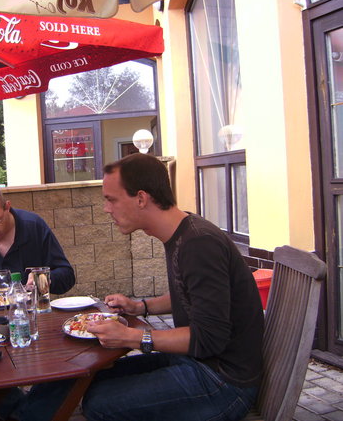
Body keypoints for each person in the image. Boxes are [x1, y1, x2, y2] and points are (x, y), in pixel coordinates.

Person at [16, 153, 264, 421]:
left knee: (100, 403)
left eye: (111, 199)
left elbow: (208, 339)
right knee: (82, 376)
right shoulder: (184, 233)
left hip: (222, 382)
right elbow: (192, 295)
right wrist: (141, 306)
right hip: (197, 363)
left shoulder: (199, 244)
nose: (106, 208)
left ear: (141, 198)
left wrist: (130, 337)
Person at [0, 184, 75, 296]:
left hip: (29, 313)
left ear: (7, 207)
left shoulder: (34, 226)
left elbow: (67, 276)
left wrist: (44, 278)